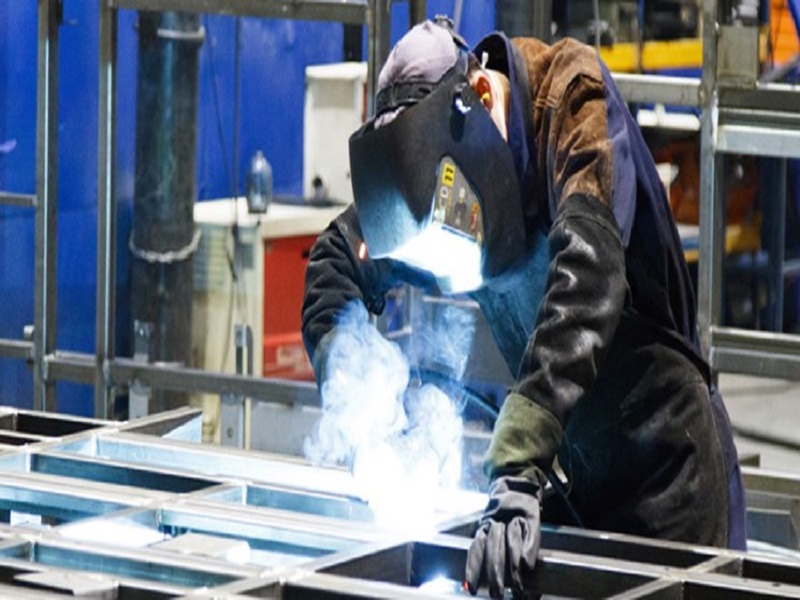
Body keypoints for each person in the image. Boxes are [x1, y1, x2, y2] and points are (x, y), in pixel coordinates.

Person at [301, 17, 747, 598]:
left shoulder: (571, 99)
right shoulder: (428, 180)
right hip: (573, 477)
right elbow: (335, 258)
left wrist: (517, 459)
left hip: (669, 472)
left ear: (482, 98)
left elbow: (588, 278)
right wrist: (357, 395)